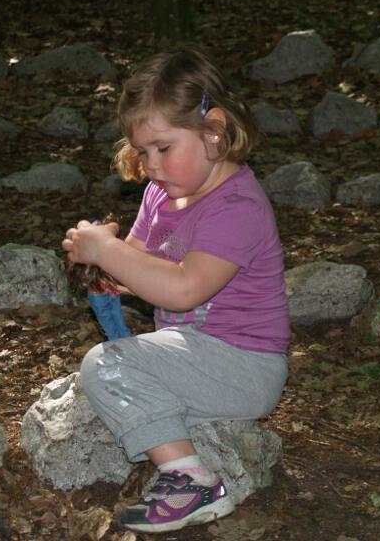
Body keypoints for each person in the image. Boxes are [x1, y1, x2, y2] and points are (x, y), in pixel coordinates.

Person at [61, 47, 289, 534]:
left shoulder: (237, 207)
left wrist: (110, 251)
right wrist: (101, 262)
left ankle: (190, 482)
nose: (152, 165)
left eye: (163, 148)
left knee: (107, 364)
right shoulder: (160, 194)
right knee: (114, 368)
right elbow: (139, 269)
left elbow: (184, 289)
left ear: (214, 130)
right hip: (194, 355)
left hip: (244, 365)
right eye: (142, 152)